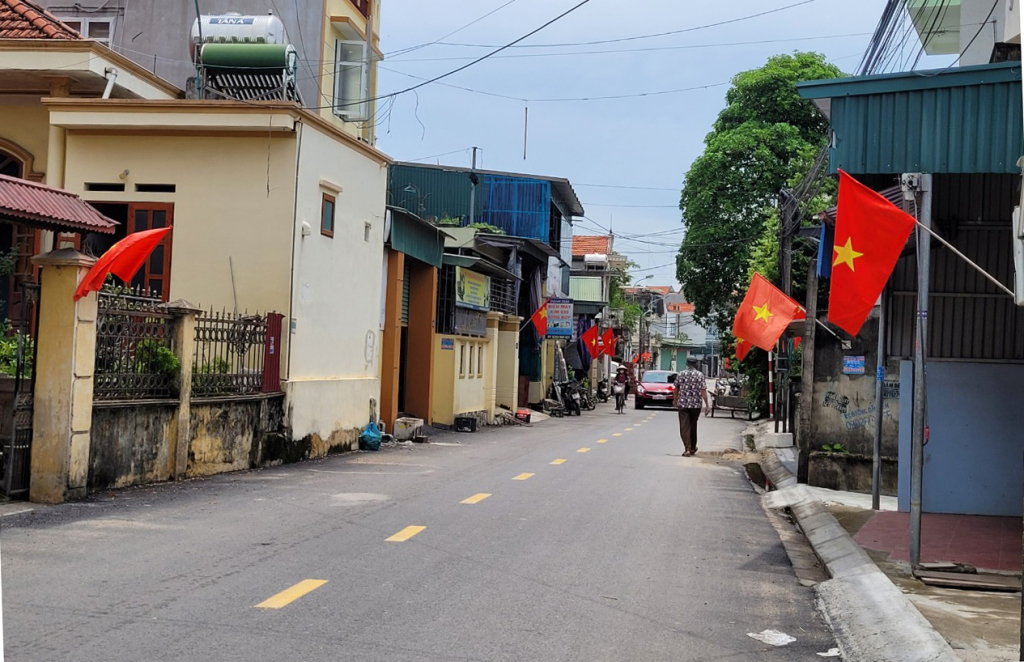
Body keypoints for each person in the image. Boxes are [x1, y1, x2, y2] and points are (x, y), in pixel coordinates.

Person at [674, 358, 710, 457]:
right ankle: (693, 447)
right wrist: (707, 405)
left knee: (684, 427)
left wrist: (675, 400)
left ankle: (687, 448)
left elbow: (676, 389)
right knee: (693, 426)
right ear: (696, 364)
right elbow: (703, 390)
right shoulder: (700, 375)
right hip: (696, 405)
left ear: (687, 364)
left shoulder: (681, 374)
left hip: (683, 404)